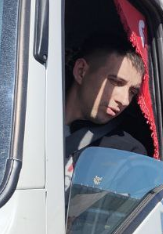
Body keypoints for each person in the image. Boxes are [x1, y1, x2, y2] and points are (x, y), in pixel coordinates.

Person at [63, 32, 147, 190]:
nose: (124, 100)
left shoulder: (126, 154)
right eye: (115, 82)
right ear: (81, 71)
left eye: (132, 92)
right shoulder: (23, 122)